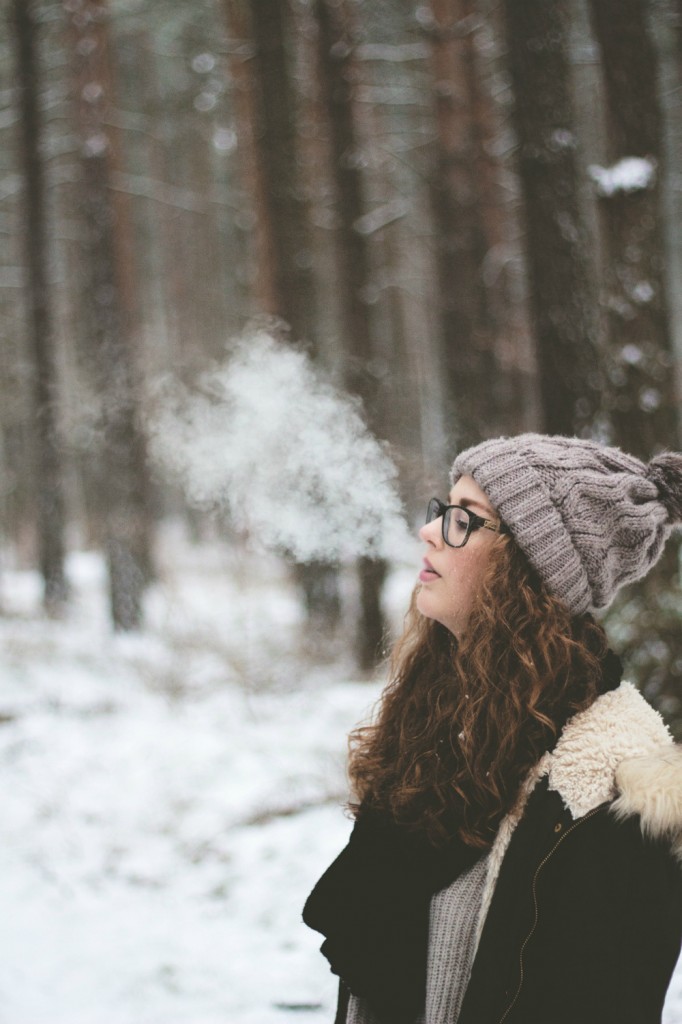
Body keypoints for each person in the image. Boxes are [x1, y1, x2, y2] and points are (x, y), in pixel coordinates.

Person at [303, 433, 682, 1024]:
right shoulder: (439, 713)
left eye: (466, 520)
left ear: (530, 568)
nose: (430, 532)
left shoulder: (616, 788)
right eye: (441, 510)